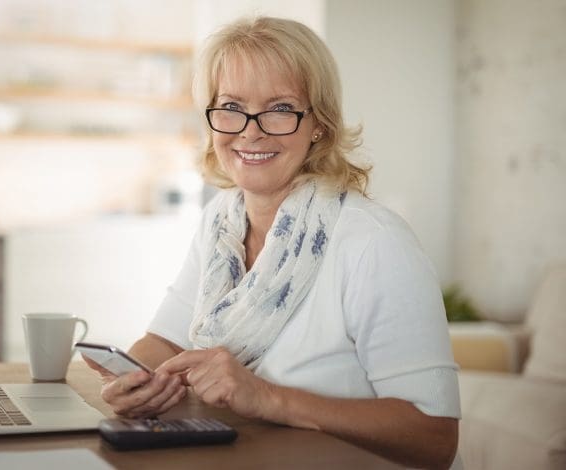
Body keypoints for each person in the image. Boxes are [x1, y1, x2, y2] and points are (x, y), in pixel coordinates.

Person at [84, 16, 460, 470]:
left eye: (280, 107)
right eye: (231, 106)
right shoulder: (221, 221)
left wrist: (267, 397)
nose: (250, 130)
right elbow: (165, 341)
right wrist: (133, 379)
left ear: (318, 123)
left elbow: (435, 437)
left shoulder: (374, 243)